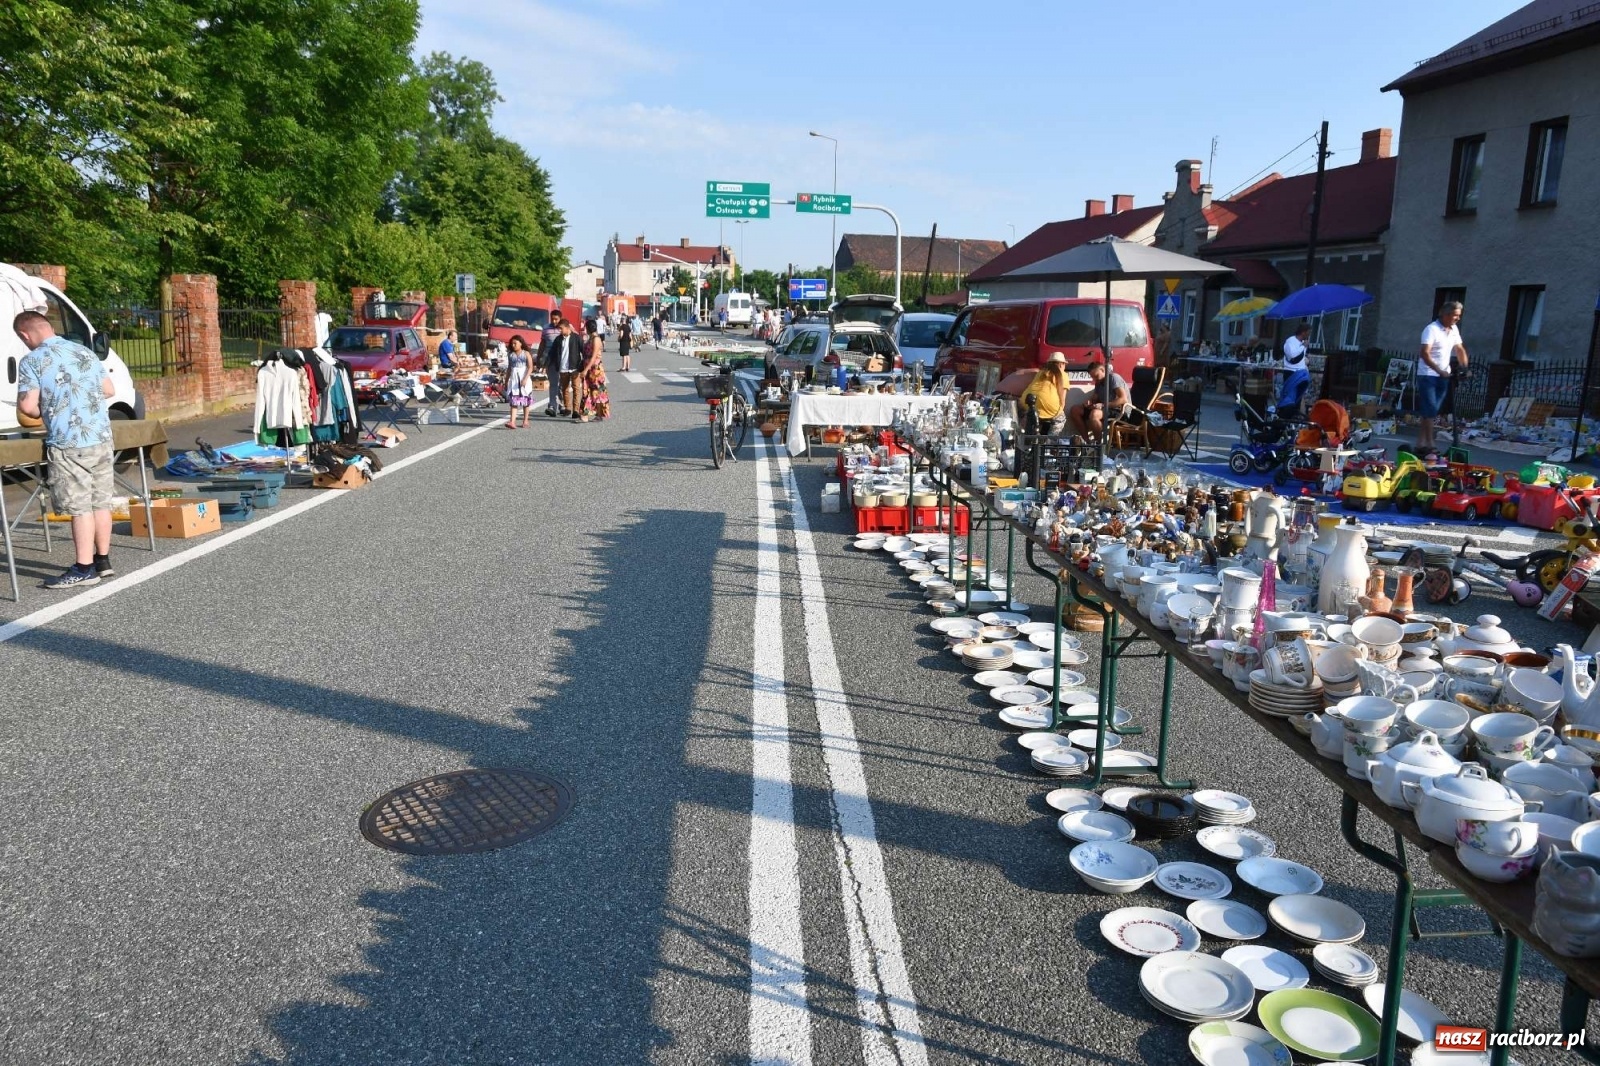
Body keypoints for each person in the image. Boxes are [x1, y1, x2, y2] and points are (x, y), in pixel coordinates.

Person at [14, 310, 117, 588]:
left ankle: (83, 569)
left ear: (25, 335)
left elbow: (26, 406)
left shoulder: (32, 361)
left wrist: (46, 409)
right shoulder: (83, 351)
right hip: (101, 437)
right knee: (100, 502)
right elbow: (108, 390)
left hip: (68, 441)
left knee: (80, 507)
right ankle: (102, 561)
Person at [1417, 300, 1468, 452]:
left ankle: (1420, 443)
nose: (1458, 318)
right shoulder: (1431, 329)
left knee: (1430, 411)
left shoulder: (1454, 329)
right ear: (1445, 315)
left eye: (1459, 316)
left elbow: (1459, 349)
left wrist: (1464, 368)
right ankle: (1430, 443)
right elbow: (1424, 354)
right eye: (1455, 315)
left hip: (1443, 375)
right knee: (1431, 409)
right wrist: (1439, 370)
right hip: (1428, 374)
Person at [1068, 359, 1132, 442]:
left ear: (1102, 370)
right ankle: (1087, 441)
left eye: (1096, 376)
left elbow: (1123, 399)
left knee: (1094, 414)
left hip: (1119, 411)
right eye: (1093, 377)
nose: (1095, 379)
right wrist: (1089, 403)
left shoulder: (1113, 378)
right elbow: (1094, 398)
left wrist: (1103, 405)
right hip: (1104, 409)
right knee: (1075, 410)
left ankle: (1098, 445)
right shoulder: (1098, 382)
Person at [1020, 352, 1072, 435]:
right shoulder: (1063, 375)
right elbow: (1062, 399)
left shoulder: (1040, 373)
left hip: (1027, 402)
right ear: (1061, 364)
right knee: (1060, 419)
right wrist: (1058, 411)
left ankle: (1028, 436)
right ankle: (1049, 441)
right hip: (1048, 406)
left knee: (1031, 417)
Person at [1278, 322, 1312, 416]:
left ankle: (1294, 417)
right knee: (1289, 396)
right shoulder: (1290, 341)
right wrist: (1304, 347)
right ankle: (1286, 416)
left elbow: (1301, 358)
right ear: (1303, 332)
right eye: (1308, 332)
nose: (1309, 335)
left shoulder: (1301, 343)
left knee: (1297, 397)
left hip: (1300, 373)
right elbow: (1293, 357)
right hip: (1291, 372)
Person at [581, 320, 611, 422]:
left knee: (598, 391)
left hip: (595, 368)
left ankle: (599, 414)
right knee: (589, 390)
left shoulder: (596, 339)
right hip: (589, 367)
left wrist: (586, 369)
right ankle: (587, 412)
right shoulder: (590, 338)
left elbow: (593, 356)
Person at [502, 335, 535, 428]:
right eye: (512, 343)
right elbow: (509, 368)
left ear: (521, 343)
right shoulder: (510, 355)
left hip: (524, 378)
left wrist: (525, 378)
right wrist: (506, 380)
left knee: (525, 400)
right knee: (514, 401)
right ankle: (512, 421)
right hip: (514, 379)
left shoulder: (526, 354)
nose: (513, 345)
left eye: (515, 343)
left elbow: (530, 367)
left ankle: (525, 420)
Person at [539, 311, 568, 416]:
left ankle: (562, 405)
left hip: (564, 360)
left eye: (556, 319)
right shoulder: (546, 328)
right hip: (550, 360)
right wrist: (539, 358)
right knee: (553, 384)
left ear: (560, 318)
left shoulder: (565, 329)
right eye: (552, 319)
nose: (554, 321)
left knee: (562, 384)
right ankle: (552, 406)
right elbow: (542, 343)